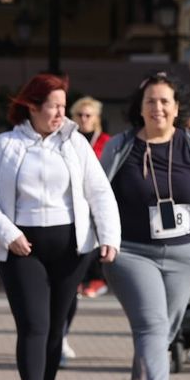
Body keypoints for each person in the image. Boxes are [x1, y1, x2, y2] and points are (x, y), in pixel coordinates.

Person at [0, 74, 121, 380]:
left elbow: (99, 191)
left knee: (56, 329)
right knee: (33, 324)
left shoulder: (75, 144)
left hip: (72, 250)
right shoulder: (5, 144)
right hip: (22, 250)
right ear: (32, 107)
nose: (60, 113)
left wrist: (109, 236)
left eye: (62, 106)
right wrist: (8, 234)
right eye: (53, 106)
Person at [99, 73, 190, 380]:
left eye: (165, 101)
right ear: (139, 108)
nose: (158, 108)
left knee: (159, 333)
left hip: (186, 255)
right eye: (150, 101)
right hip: (133, 252)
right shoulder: (121, 146)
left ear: (177, 107)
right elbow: (97, 195)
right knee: (152, 326)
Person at [67, 97, 111, 300]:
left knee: (98, 238)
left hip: (98, 196)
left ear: (96, 118)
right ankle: (78, 279)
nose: (83, 119)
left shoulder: (106, 142)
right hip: (74, 198)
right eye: (79, 115)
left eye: (88, 115)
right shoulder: (66, 140)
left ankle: (97, 279)